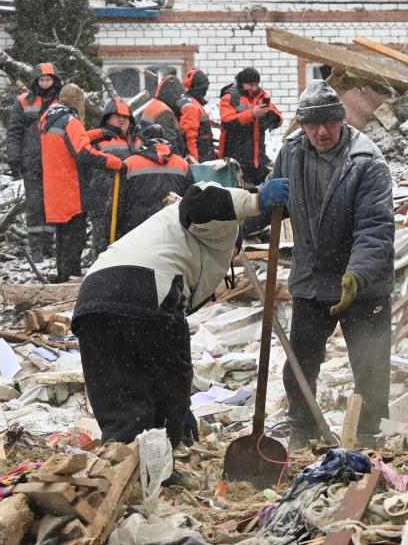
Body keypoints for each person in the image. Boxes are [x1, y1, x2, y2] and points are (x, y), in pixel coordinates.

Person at [71, 179, 290, 446]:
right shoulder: (218, 226)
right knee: (168, 385)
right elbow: (198, 203)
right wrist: (255, 201)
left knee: (119, 395)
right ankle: (160, 464)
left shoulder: (162, 232)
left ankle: (122, 461)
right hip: (147, 291)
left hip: (93, 300)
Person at [259, 81, 394, 450]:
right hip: (312, 279)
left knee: (370, 363)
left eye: (329, 124)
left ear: (342, 119)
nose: (321, 132)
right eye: (312, 125)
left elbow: (375, 228)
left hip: (363, 283)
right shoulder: (291, 152)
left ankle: (368, 434)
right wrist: (252, 208)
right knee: (301, 361)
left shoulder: (366, 162)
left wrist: (357, 275)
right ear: (301, 126)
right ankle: (303, 429)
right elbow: (275, 200)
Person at [39, 84, 124, 283]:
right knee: (75, 240)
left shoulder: (51, 118)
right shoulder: (71, 120)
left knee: (62, 239)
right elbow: (83, 153)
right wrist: (115, 163)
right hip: (71, 189)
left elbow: (72, 140)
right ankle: (72, 280)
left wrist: (101, 133)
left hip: (55, 190)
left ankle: (62, 277)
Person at [6, 62, 61, 262]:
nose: (45, 83)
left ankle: (49, 245)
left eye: (48, 80)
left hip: (55, 161)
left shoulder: (61, 101)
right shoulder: (22, 101)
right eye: (42, 79)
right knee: (35, 205)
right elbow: (14, 131)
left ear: (54, 81)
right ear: (36, 81)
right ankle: (36, 247)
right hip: (32, 161)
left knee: (51, 204)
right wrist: (14, 157)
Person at [86, 99, 143, 254]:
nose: (121, 119)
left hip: (131, 203)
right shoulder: (98, 139)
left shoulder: (138, 139)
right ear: (107, 118)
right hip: (103, 200)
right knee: (103, 245)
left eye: (125, 116)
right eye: (116, 115)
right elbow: (92, 172)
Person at [114, 132, 193, 239]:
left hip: (136, 230)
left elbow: (117, 204)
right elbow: (191, 200)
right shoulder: (182, 164)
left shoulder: (129, 164)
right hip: (172, 229)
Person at [219, 67, 282, 186]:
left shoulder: (262, 96)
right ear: (242, 83)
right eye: (250, 84)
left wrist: (272, 117)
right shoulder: (230, 97)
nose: (253, 88)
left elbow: (278, 117)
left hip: (257, 159)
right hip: (235, 158)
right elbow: (227, 122)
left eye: (256, 84)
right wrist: (252, 114)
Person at [138, 73, 187, 158]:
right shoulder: (165, 112)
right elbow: (169, 141)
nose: (178, 101)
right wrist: (179, 160)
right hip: (163, 157)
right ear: (172, 95)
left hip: (150, 153)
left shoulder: (153, 105)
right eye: (177, 97)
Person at [178, 68, 217, 163]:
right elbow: (189, 137)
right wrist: (194, 162)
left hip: (203, 154)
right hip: (200, 156)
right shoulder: (191, 106)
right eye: (205, 87)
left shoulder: (192, 102)